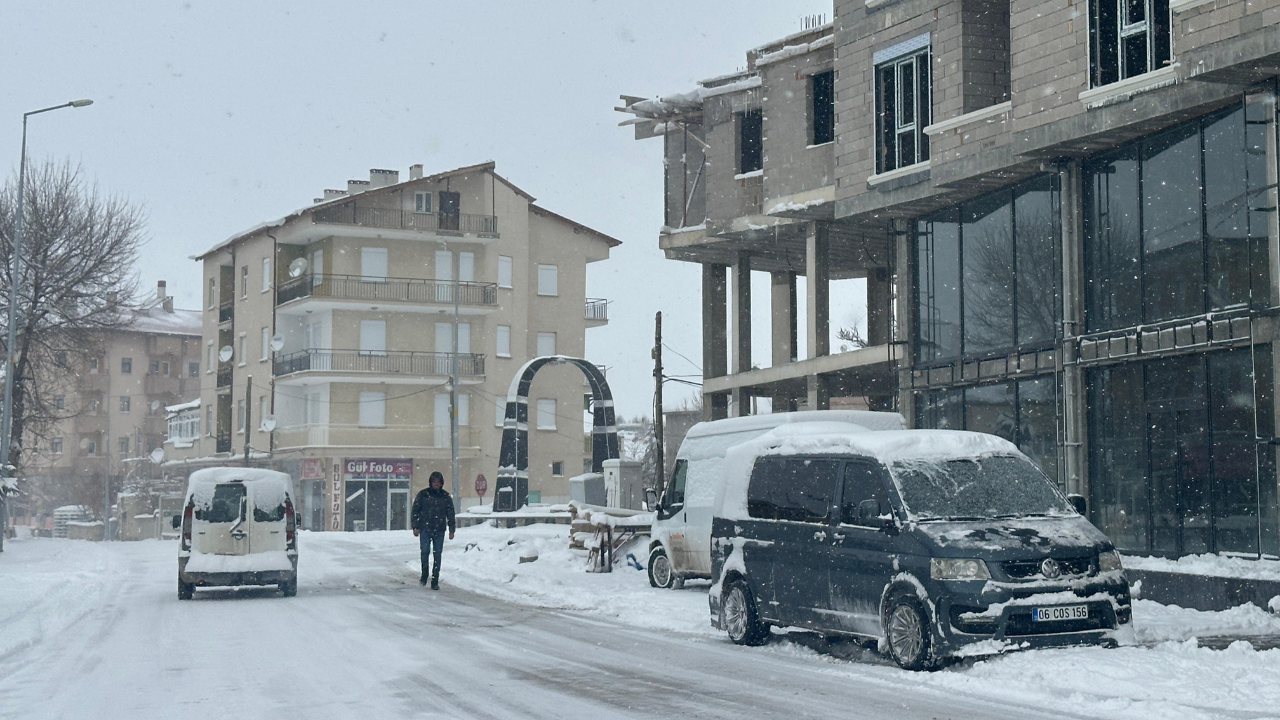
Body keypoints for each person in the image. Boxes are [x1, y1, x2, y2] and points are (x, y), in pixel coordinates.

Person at [411, 471, 456, 589]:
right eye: (434, 481)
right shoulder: (423, 495)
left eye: (438, 482)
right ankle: (424, 574)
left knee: (437, 554)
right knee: (425, 552)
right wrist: (415, 526)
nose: (436, 484)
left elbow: (450, 513)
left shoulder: (445, 497)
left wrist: (452, 529)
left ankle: (435, 579)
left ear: (442, 483)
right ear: (430, 482)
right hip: (425, 528)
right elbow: (415, 511)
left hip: (439, 529)